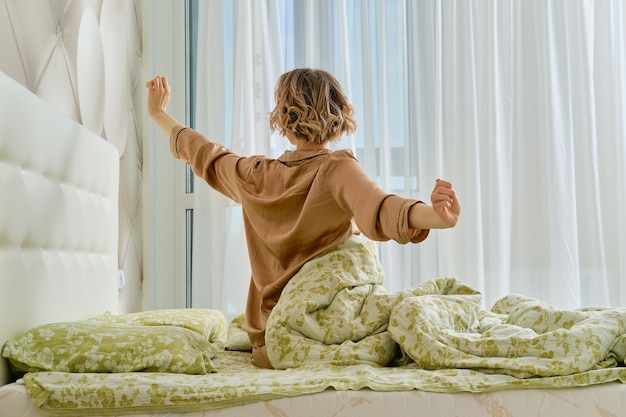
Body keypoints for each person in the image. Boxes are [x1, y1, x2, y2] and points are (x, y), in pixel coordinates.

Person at [146, 68, 460, 368]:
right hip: (324, 324)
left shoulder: (255, 175)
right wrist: (435, 216)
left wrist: (159, 114)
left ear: (282, 118)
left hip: (269, 335)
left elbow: (205, 154)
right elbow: (380, 207)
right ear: (339, 113)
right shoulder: (336, 168)